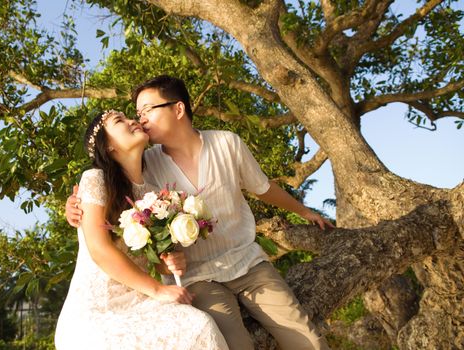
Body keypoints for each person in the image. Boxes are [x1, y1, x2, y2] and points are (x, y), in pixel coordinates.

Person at [66, 76, 334, 350]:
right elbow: (106, 189)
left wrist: (303, 210)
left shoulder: (226, 144)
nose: (140, 119)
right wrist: (76, 205)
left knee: (309, 341)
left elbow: (262, 187)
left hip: (247, 263)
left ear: (178, 109)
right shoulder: (147, 165)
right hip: (198, 278)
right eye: (136, 114)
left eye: (147, 110)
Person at [55, 109, 228, 350]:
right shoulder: (95, 179)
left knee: (200, 325)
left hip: (142, 300)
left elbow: (155, 262)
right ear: (109, 147)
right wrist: (158, 289)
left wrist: (171, 259)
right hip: (97, 310)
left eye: (129, 117)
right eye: (120, 121)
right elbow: (99, 249)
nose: (132, 121)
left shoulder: (155, 194)